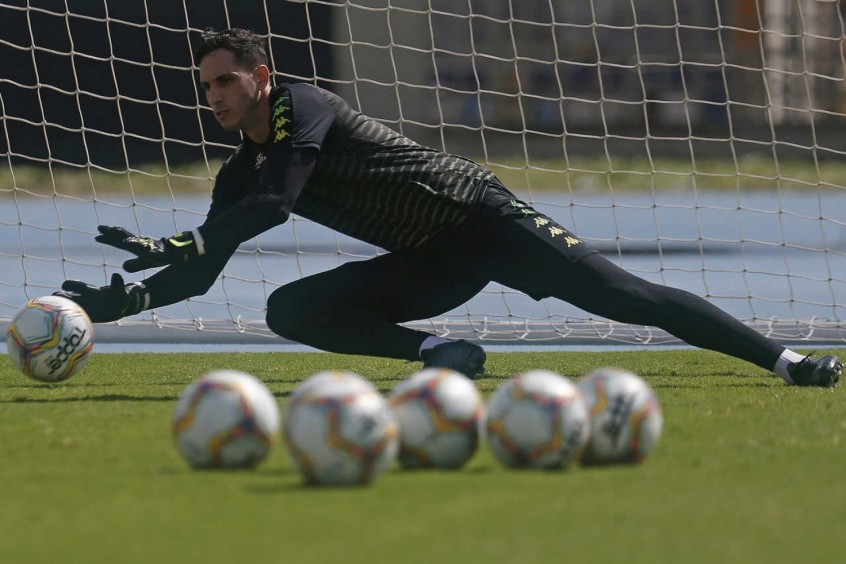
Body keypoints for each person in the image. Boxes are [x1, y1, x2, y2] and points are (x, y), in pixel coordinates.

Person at [55, 28, 842, 387]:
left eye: (226, 80)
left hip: (482, 219)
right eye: (207, 87)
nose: (216, 96)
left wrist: (184, 240)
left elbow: (272, 206)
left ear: (261, 77)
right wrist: (109, 306)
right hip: (434, 265)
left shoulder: (305, 105)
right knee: (290, 310)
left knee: (625, 297)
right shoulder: (242, 166)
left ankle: (785, 361)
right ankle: (437, 354)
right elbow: (201, 276)